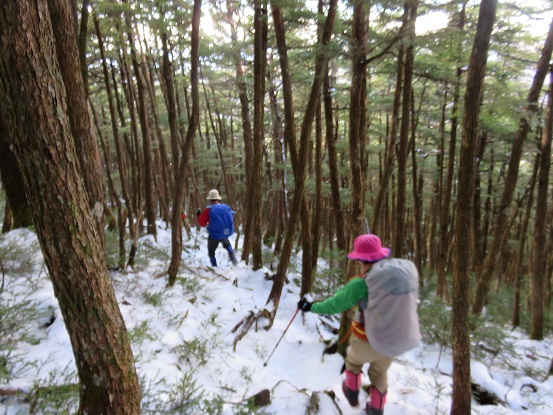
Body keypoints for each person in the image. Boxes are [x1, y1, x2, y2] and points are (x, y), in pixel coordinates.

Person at [297, 234, 420, 415]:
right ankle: (376, 409)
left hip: (367, 340)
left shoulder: (360, 284)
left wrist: (310, 306)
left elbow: (334, 305)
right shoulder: (396, 278)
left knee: (353, 363)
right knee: (379, 374)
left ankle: (352, 393)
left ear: (361, 259)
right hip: (395, 342)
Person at [196, 189, 238, 267]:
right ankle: (234, 262)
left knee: (211, 252)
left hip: (214, 235)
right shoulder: (226, 207)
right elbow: (232, 215)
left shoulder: (208, 210)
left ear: (210, 200)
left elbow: (202, 224)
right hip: (225, 233)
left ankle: (215, 267)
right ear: (218, 199)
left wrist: (198, 216)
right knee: (227, 245)